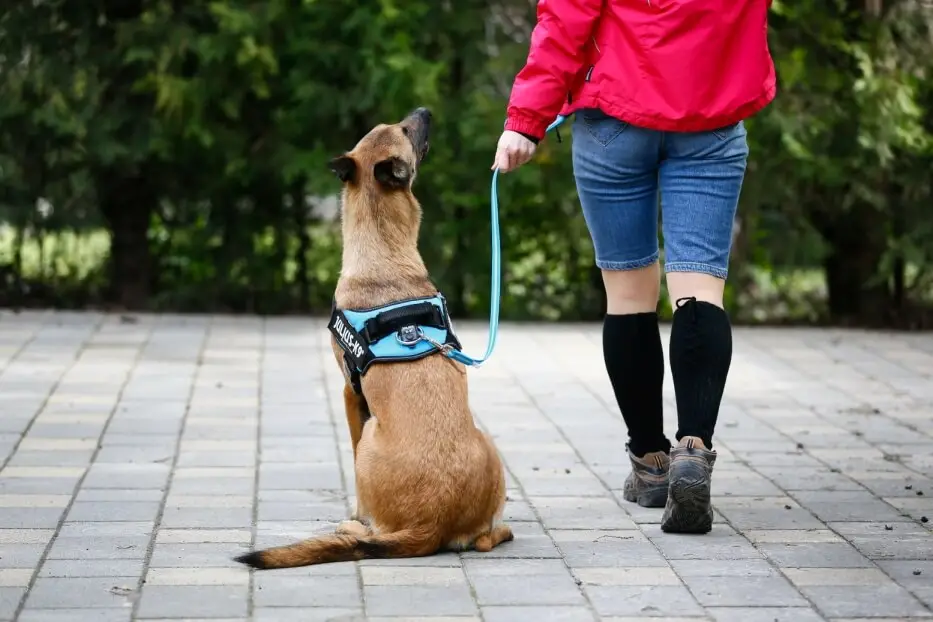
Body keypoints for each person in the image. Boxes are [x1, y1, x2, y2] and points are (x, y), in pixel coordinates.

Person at [493, 0, 776, 534]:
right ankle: (693, 449)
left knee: (627, 296)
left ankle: (651, 463)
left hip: (614, 120)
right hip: (710, 118)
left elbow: (565, 20)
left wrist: (525, 120)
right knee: (699, 292)